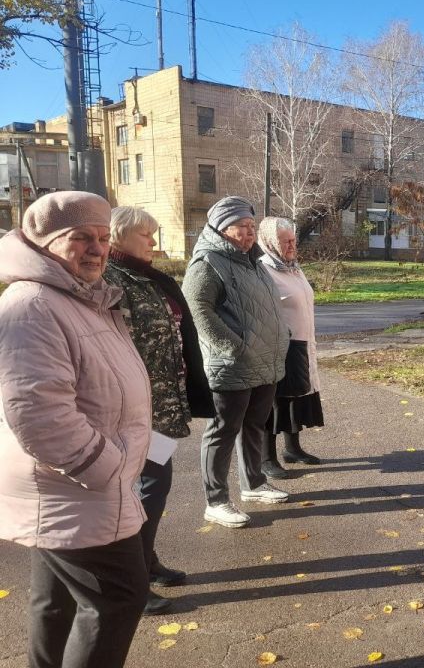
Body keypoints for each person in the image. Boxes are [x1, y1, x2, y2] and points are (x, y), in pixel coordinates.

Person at [0, 192, 151, 667]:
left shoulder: (80, 297)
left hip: (74, 486)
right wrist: (108, 466)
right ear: (46, 244)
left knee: (58, 600)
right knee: (119, 598)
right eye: (81, 238)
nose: (97, 248)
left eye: (103, 238)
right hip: (80, 486)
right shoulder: (34, 305)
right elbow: (39, 413)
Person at [104, 206, 215, 615]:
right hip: (134, 410)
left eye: (154, 233)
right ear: (118, 236)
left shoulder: (146, 277)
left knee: (155, 487)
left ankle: (146, 562)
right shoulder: (111, 280)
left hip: (164, 407)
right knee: (145, 490)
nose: (154, 241)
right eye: (145, 234)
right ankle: (131, 581)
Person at [183, 196, 291, 528]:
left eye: (251, 227)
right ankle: (215, 500)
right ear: (221, 228)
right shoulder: (208, 262)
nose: (248, 234)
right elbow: (197, 308)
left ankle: (253, 484)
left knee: (254, 426)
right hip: (232, 364)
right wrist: (233, 347)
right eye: (241, 227)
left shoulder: (252, 261)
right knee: (222, 432)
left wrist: (281, 335)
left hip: (263, 361)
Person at [257, 217, 323, 478]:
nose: (292, 246)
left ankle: (293, 449)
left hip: (302, 344)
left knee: (295, 398)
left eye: (293, 241)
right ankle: (266, 458)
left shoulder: (293, 268)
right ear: (271, 243)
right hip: (278, 347)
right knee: (273, 402)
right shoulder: (264, 270)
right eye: (286, 242)